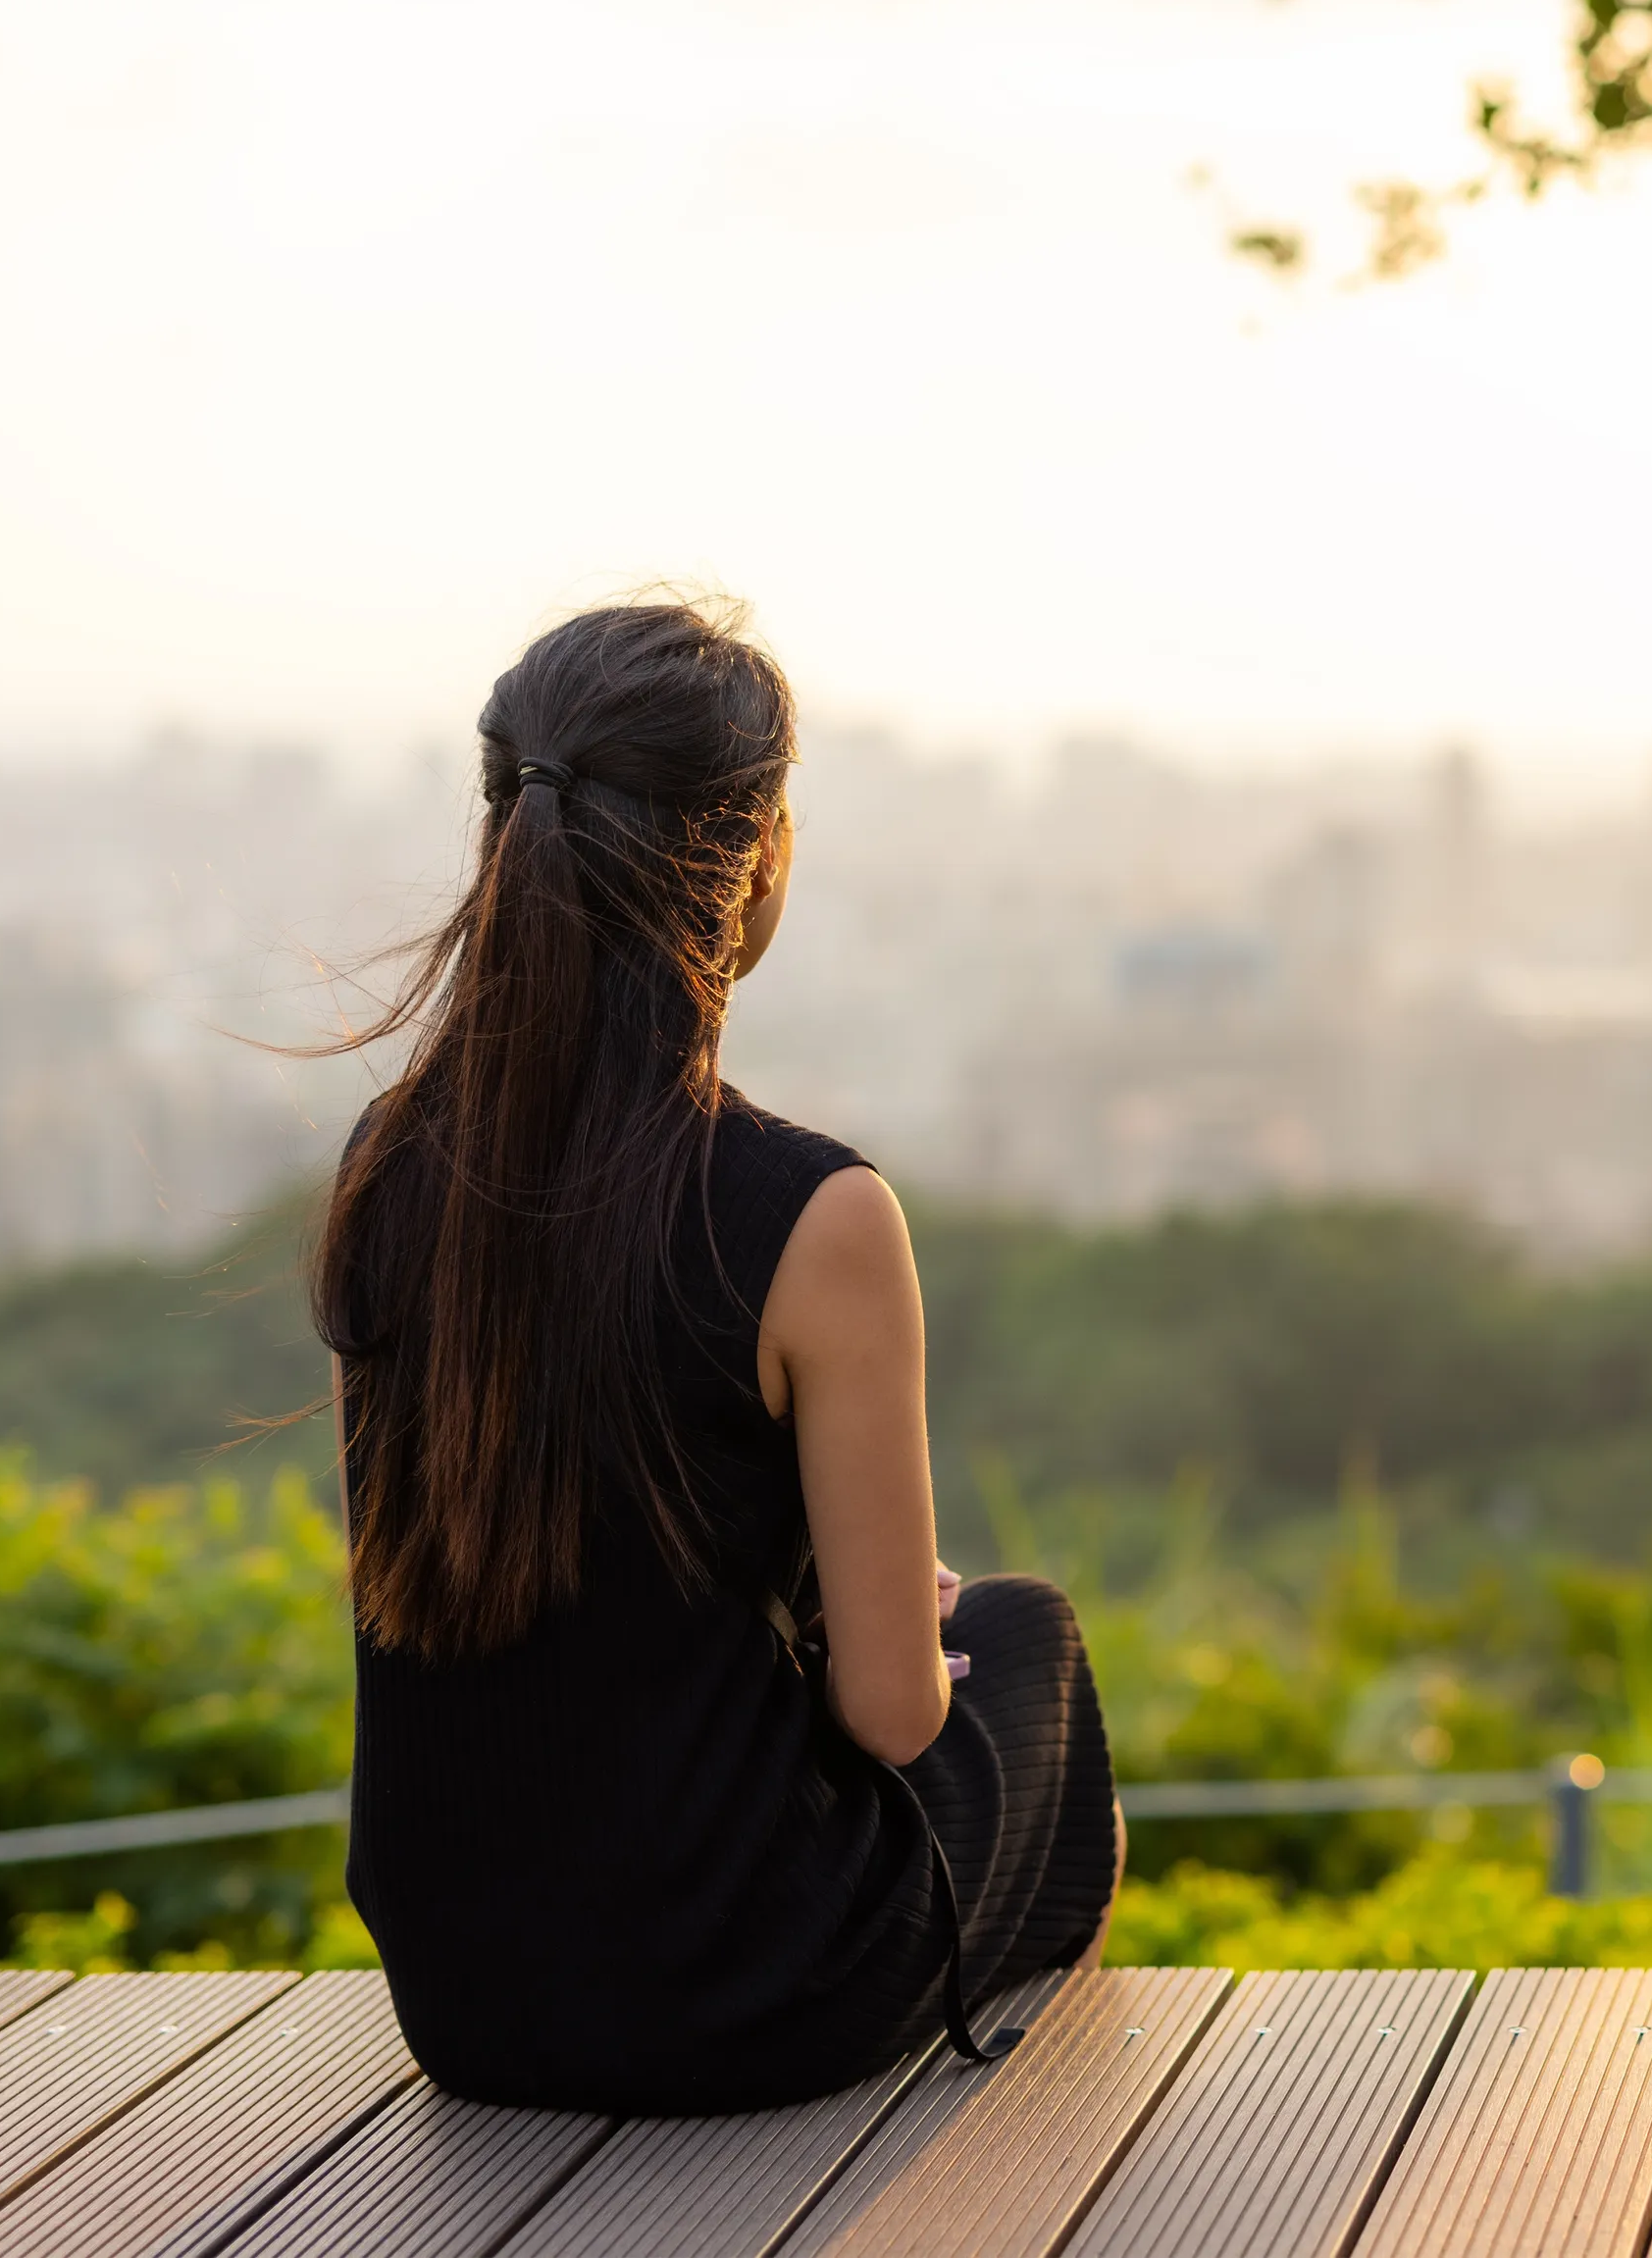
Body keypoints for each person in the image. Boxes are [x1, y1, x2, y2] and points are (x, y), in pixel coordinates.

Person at [305, 599, 1120, 2115]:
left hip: (461, 1998)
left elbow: (474, 1588)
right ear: (758, 858)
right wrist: (864, 1625)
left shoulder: (385, 1162)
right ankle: (1029, 2149)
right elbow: (894, 1715)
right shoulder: (813, 1213)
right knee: (1030, 1640)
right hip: (740, 1989)